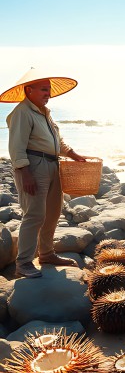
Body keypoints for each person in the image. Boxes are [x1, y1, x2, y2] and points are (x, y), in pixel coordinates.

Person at [0, 67, 87, 279]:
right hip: (33, 166)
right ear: (28, 90)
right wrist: (25, 172)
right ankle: (23, 263)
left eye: (48, 89)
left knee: (53, 213)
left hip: (52, 164)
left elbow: (58, 141)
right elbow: (16, 147)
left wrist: (73, 154)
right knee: (34, 215)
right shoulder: (22, 112)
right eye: (43, 89)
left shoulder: (45, 113)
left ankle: (47, 254)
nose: (48, 93)